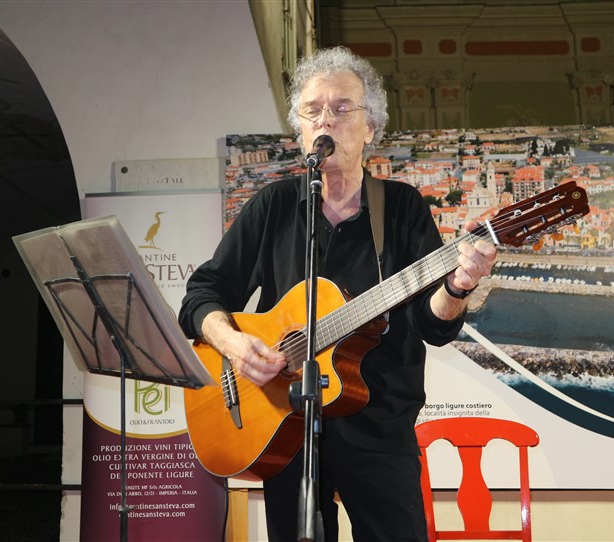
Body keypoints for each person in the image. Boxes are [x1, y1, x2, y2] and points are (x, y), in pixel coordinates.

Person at [178, 46, 496, 542]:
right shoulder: (274, 206)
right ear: (301, 131)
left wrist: (457, 285)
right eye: (313, 110)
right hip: (286, 428)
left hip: (380, 429)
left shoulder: (401, 208)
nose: (326, 119)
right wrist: (235, 345)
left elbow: (432, 325)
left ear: (370, 127)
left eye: (342, 108)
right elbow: (202, 294)